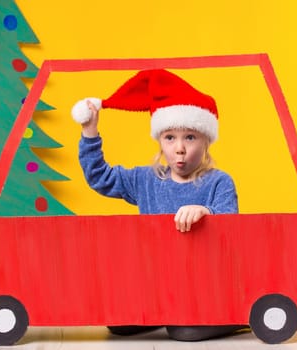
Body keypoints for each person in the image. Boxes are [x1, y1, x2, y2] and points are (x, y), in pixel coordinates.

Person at [71, 69, 247, 341]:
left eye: (190, 137)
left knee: (184, 332)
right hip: (159, 283)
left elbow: (231, 229)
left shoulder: (219, 182)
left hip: (204, 285)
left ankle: (234, 316)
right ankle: (164, 311)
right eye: (170, 138)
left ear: (206, 140)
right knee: (118, 324)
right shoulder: (146, 179)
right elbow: (100, 177)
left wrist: (205, 212)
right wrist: (89, 131)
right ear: (160, 141)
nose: (179, 148)